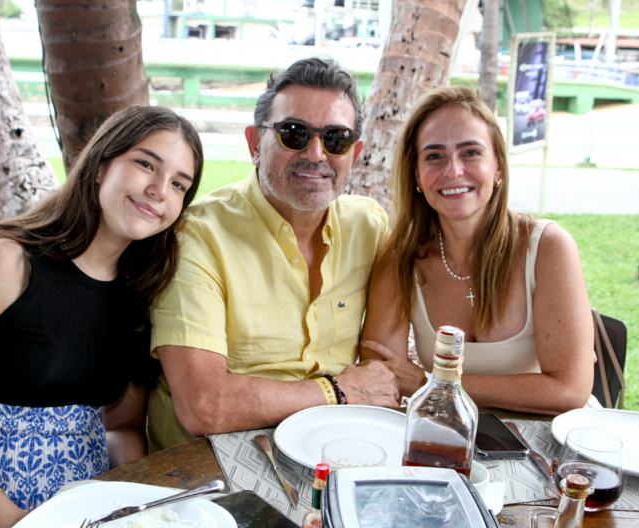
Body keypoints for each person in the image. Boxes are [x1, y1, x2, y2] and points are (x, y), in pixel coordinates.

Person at [0, 106, 203, 528]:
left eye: (179, 184)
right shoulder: (5, 263)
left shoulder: (138, 296)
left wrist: (132, 511)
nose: (159, 190)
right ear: (100, 165)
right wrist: (14, 523)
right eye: (145, 164)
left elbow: (121, 426)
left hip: (81, 515)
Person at [147, 57, 400, 452]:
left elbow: (382, 372)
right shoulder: (197, 235)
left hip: (333, 450)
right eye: (294, 133)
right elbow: (204, 406)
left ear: (355, 152)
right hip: (213, 464)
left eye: (336, 139)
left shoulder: (369, 226)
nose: (316, 153)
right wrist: (337, 391)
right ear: (254, 144)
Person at [360, 85, 597, 416]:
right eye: (434, 156)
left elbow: (570, 390)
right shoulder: (402, 259)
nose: (453, 171)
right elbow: (381, 375)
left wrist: (431, 383)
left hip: (546, 437)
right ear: (416, 174)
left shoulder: (547, 246)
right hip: (451, 434)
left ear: (498, 166)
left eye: (470, 152)